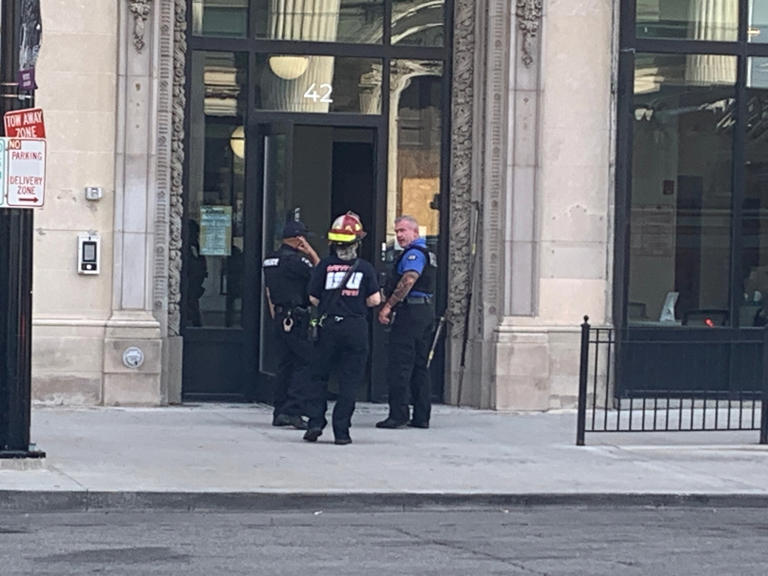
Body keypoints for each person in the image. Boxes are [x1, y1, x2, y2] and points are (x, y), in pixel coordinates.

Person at [303, 212, 381, 445]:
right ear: (356, 243)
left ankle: (315, 422)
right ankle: (341, 431)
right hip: (355, 327)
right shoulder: (365, 268)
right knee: (350, 381)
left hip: (328, 327)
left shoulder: (324, 266)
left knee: (318, 376)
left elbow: (313, 298)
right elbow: (375, 300)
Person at [376, 215, 437, 429]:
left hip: (411, 313)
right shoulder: (426, 252)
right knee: (420, 366)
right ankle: (421, 416)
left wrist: (388, 306)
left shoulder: (414, 254)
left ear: (415, 232)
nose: (399, 235)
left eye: (403, 230)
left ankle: (398, 415)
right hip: (423, 311)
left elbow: (409, 279)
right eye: (397, 231)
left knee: (401, 365)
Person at [262, 219, 320, 429]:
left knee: (284, 364)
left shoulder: (270, 260)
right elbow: (321, 275)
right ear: (298, 239)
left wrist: (275, 316)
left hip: (279, 316)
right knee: (304, 363)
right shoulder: (298, 262)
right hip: (296, 317)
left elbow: (269, 292)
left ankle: (280, 411)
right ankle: (294, 411)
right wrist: (311, 253)